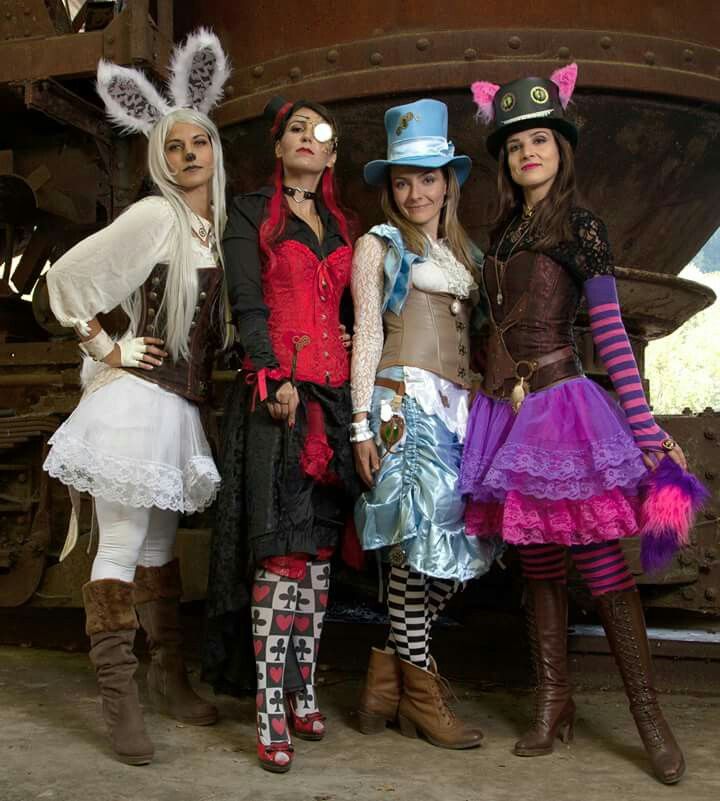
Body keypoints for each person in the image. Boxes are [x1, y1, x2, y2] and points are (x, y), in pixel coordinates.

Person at [462, 63, 689, 783]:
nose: (528, 151)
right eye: (516, 143)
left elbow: (612, 334)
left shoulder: (581, 226)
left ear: (562, 147)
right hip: (508, 412)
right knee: (538, 566)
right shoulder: (498, 233)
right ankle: (552, 701)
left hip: (564, 406)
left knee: (599, 563)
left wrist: (646, 430)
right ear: (504, 156)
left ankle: (649, 717)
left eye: (541, 139)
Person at [42, 30, 231, 765]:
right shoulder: (157, 218)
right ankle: (120, 704)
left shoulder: (210, 228)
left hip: (176, 409)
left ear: (215, 149)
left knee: (157, 547)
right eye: (173, 147)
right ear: (160, 159)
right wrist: (107, 347)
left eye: (197, 144)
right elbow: (67, 279)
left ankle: (168, 678)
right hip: (134, 400)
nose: (186, 155)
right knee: (121, 543)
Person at [203, 97, 356, 773]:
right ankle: (269, 702)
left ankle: (302, 685)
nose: (307, 139)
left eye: (319, 134)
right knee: (281, 557)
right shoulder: (247, 212)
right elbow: (247, 302)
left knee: (319, 555)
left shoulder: (341, 223)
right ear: (279, 145)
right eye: (297, 128)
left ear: (330, 155)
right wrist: (269, 374)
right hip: (279, 398)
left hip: (335, 397)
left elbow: (350, 310)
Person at [351, 99, 499, 750]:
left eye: (428, 177)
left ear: (449, 183)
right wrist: (360, 424)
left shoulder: (462, 249)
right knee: (417, 552)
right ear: (391, 188)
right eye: (403, 180)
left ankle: (386, 675)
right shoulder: (376, 245)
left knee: (454, 553)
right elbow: (364, 338)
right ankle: (422, 697)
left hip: (459, 412)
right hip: (403, 403)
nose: (415, 191)